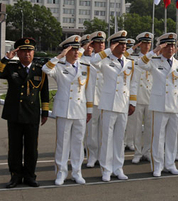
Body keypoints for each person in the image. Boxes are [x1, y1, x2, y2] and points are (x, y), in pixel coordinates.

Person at [0, 37, 49, 188]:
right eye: (23, 51)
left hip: (32, 114)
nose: (27, 54)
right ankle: (15, 176)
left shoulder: (40, 70)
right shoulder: (11, 68)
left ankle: (30, 175)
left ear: (33, 52)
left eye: (29, 51)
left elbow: (44, 92)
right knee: (15, 148)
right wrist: (6, 58)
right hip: (14, 113)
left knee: (31, 148)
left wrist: (45, 112)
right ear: (18, 53)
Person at [133, 33, 178, 176]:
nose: (170, 48)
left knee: (172, 137)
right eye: (167, 45)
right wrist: (155, 50)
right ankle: (157, 165)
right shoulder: (154, 61)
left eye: (172, 46)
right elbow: (140, 63)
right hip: (159, 104)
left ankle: (170, 164)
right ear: (161, 47)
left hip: (175, 104)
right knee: (158, 137)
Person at [42, 35, 94, 185]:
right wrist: (60, 56)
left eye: (77, 49)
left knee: (78, 143)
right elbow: (45, 69)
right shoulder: (58, 67)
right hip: (64, 109)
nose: (76, 52)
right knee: (63, 143)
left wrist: (89, 110)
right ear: (67, 50)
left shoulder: (85, 67)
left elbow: (88, 90)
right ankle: (61, 172)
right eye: (73, 49)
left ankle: (77, 172)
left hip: (80, 109)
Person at [90, 30, 135, 182]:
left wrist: (132, 102)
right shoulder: (104, 60)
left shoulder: (129, 63)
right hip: (108, 104)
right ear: (113, 44)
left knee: (119, 138)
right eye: (120, 44)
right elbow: (93, 61)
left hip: (123, 103)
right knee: (107, 138)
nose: (124, 47)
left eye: (125, 44)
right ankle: (106, 169)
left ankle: (118, 167)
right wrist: (108, 49)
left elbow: (132, 83)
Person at [128, 32, 154, 164]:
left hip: (151, 98)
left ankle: (147, 152)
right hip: (138, 97)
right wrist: (132, 101)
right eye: (144, 43)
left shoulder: (155, 59)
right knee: (137, 127)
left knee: (150, 127)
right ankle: (138, 153)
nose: (147, 46)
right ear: (140, 45)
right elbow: (133, 81)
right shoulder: (133, 59)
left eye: (149, 43)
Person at [82, 31, 106, 167]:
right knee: (92, 131)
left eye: (102, 42)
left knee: (104, 131)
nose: (101, 45)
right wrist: (84, 48)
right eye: (97, 43)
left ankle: (103, 156)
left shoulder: (109, 59)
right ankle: (92, 156)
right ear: (92, 44)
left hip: (106, 99)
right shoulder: (85, 60)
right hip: (91, 99)